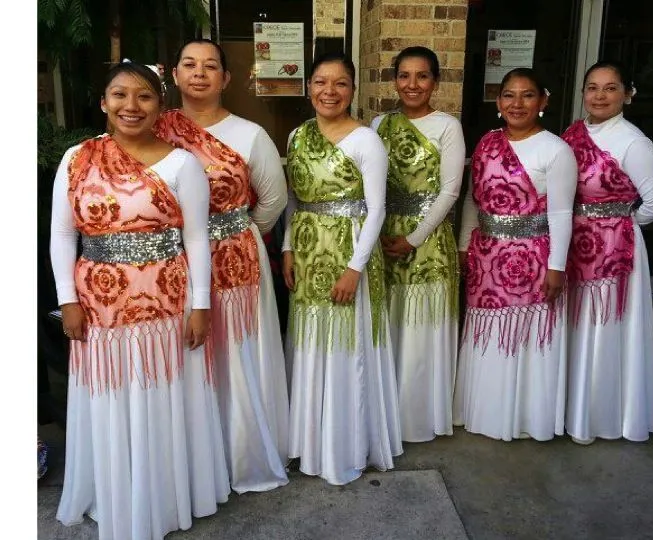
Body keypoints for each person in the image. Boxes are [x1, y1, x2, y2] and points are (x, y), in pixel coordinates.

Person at [51, 62, 229, 539]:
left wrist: (200, 305)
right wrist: (67, 299)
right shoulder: (77, 159)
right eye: (120, 95)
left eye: (145, 97)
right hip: (98, 309)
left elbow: (195, 239)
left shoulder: (182, 163)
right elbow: (61, 236)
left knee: (159, 391)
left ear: (160, 106)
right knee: (110, 397)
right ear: (104, 102)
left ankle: (163, 498)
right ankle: (115, 494)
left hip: (165, 307)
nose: (132, 106)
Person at [154, 39, 290, 493]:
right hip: (170, 262)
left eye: (210, 66)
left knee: (235, 354)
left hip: (234, 258)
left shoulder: (250, 134)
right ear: (173, 74)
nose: (199, 73)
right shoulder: (153, 130)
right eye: (189, 64)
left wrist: (236, 231)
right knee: (188, 354)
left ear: (226, 79)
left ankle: (242, 452)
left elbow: (272, 201)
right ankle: (194, 457)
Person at [282, 53, 403, 485]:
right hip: (309, 248)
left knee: (346, 344)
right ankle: (308, 441)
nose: (328, 92)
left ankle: (344, 445)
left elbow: (377, 210)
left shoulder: (365, 140)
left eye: (340, 84)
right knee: (310, 341)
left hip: (350, 250)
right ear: (308, 86)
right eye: (320, 82)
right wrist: (287, 248)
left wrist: (355, 268)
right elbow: (294, 200)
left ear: (353, 90)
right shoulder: (297, 136)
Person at [453, 68, 577, 442]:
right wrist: (463, 246)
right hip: (486, 255)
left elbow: (560, 214)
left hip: (532, 260)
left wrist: (556, 267)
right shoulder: (488, 143)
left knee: (525, 334)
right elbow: (474, 202)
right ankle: (482, 411)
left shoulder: (556, 150)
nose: (517, 103)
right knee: (486, 331)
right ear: (498, 101)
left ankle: (523, 417)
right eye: (509, 95)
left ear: (543, 101)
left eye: (527, 95)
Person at [561, 61, 653, 444]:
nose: (600, 96)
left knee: (602, 327)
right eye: (593, 87)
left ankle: (597, 417)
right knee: (573, 322)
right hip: (572, 242)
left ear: (627, 93)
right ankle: (566, 406)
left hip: (614, 250)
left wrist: (617, 220)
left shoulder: (632, 141)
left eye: (610, 88)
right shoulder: (573, 133)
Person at [370, 46, 464, 443]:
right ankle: (385, 412)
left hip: (427, 238)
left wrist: (414, 237)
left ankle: (418, 417)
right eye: (404, 76)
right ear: (395, 80)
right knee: (389, 320)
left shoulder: (447, 126)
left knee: (420, 327)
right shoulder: (378, 125)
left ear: (435, 82)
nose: (412, 84)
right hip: (383, 231)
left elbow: (450, 191)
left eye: (422, 76)